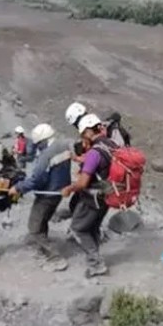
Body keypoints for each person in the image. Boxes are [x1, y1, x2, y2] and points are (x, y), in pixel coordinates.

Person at [9, 123, 72, 272]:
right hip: (59, 191)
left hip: (47, 194)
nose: (37, 146)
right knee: (42, 221)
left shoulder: (46, 155)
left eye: (38, 144)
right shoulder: (62, 146)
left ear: (43, 140)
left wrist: (18, 188)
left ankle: (55, 257)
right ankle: (44, 250)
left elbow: (37, 179)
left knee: (34, 228)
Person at [61, 113, 113, 278]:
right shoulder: (110, 144)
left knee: (78, 228)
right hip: (107, 195)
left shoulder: (94, 153)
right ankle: (96, 257)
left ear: (90, 131)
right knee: (93, 227)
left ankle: (96, 264)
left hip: (93, 198)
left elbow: (83, 183)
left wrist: (69, 188)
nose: (84, 137)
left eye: (84, 133)